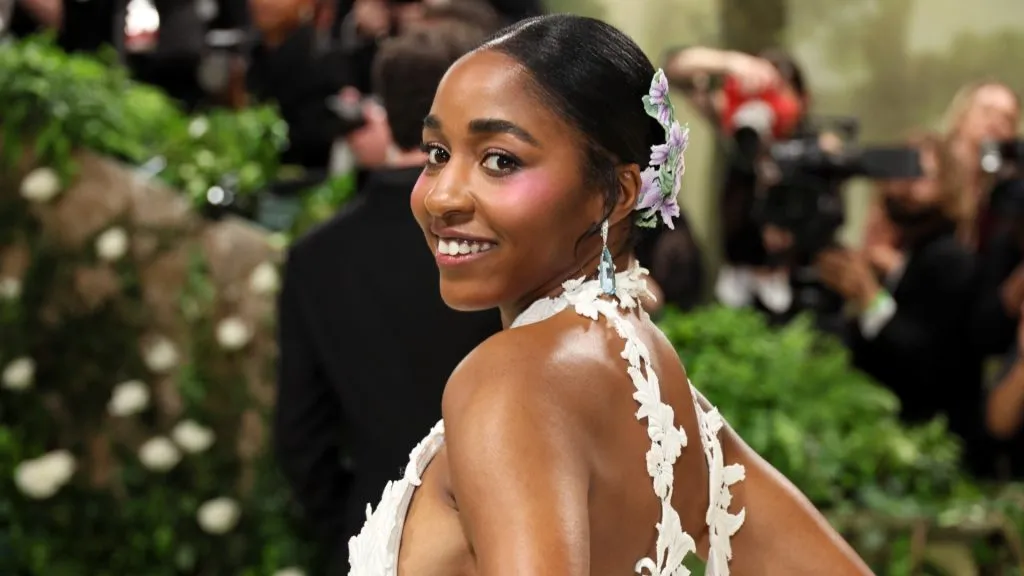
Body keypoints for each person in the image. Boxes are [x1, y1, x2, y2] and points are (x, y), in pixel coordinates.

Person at [347, 15, 871, 575]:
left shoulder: (512, 379)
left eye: (500, 160)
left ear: (616, 194)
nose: (441, 197)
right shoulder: (651, 369)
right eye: (437, 153)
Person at [274, 19, 499, 576]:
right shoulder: (505, 247)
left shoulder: (315, 257)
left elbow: (299, 439)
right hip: (498, 540)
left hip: (374, 539)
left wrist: (353, 529)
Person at [817, 135, 981, 458]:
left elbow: (928, 362)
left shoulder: (949, 259)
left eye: (919, 175)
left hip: (935, 447)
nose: (904, 187)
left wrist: (869, 296)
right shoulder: (907, 253)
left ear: (947, 185)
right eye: (899, 173)